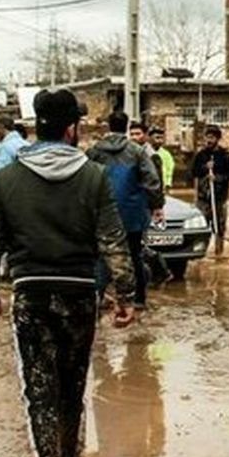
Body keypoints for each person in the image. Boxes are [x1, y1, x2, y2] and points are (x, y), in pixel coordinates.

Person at [0, 88, 136, 457]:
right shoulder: (94, 176)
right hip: (79, 293)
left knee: (39, 388)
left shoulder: (7, 179)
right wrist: (127, 295)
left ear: (36, 125)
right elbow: (112, 240)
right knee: (72, 383)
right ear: (71, 128)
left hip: (31, 292)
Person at [87, 112, 165, 309]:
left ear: (108, 126)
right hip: (132, 213)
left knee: (102, 256)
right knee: (135, 255)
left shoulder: (95, 151)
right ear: (126, 126)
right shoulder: (136, 151)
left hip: (103, 213)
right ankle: (138, 299)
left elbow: (85, 179)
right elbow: (152, 181)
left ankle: (98, 295)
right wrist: (157, 206)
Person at [192, 126, 229, 255]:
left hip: (220, 197)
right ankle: (201, 250)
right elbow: (193, 172)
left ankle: (219, 251)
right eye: (207, 137)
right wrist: (205, 168)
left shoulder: (225, 155)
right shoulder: (201, 155)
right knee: (202, 224)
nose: (209, 140)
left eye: (212, 137)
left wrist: (218, 178)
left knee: (219, 225)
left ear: (217, 139)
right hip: (204, 197)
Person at [149, 126, 175, 191]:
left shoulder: (166, 154)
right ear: (150, 138)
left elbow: (170, 169)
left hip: (161, 186)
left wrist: (168, 183)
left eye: (162, 138)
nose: (160, 140)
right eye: (157, 138)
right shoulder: (145, 152)